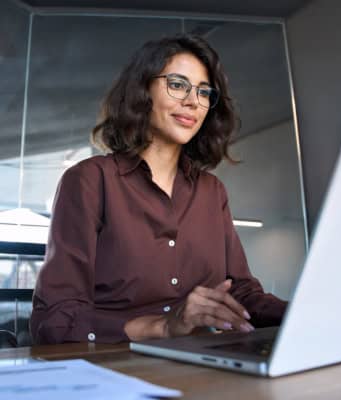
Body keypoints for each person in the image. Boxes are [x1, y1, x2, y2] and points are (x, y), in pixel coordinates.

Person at [30, 34, 287, 344]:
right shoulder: (89, 181)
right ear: (142, 90)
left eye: (204, 92)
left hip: (203, 364)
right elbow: (54, 319)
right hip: (116, 365)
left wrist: (307, 312)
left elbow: (241, 294)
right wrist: (161, 326)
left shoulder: (212, 191)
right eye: (177, 85)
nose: (193, 101)